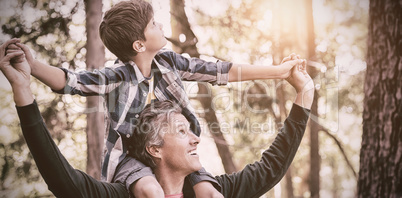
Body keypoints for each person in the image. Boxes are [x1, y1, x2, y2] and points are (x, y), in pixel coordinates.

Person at [9, 0, 306, 196]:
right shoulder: (117, 77)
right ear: (139, 44)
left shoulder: (170, 63)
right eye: (153, 25)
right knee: (150, 191)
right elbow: (71, 81)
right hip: (129, 161)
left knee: (210, 193)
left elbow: (222, 71)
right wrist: (32, 68)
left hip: (173, 158)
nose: (161, 26)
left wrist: (279, 72)